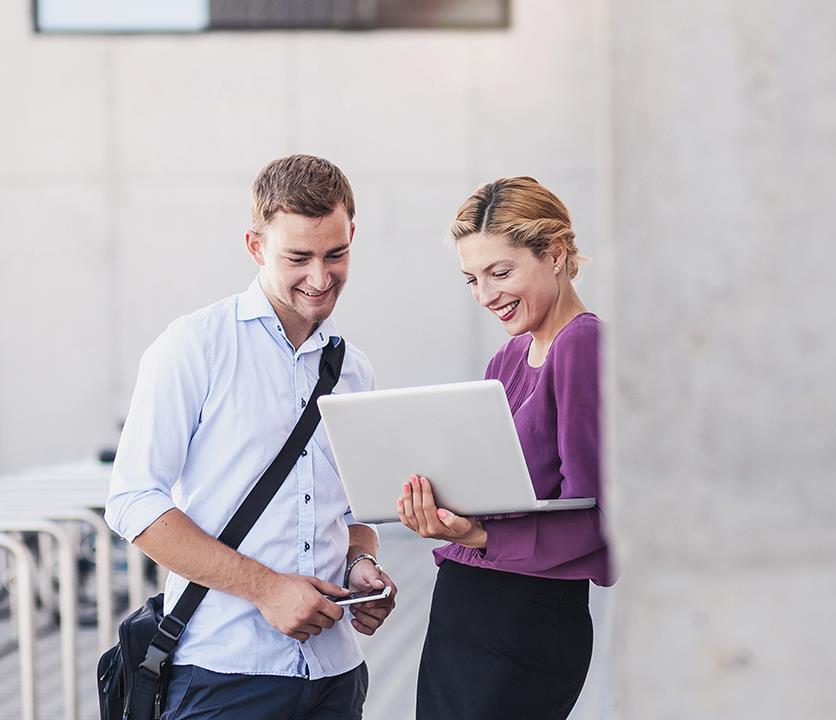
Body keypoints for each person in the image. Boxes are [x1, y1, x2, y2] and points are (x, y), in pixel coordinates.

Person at [105, 154, 397, 720]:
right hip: (222, 674)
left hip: (336, 674)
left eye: (335, 254)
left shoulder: (354, 369)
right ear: (255, 245)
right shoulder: (194, 347)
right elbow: (133, 501)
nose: (320, 277)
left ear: (353, 235)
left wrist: (361, 565)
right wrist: (266, 588)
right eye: (298, 257)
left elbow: (356, 510)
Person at [397, 176, 612, 720]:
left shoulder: (582, 345)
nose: (486, 295)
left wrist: (478, 533)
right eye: (472, 278)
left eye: (501, 272)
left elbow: (599, 518)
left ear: (556, 254)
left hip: (524, 620)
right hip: (467, 606)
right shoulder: (508, 360)